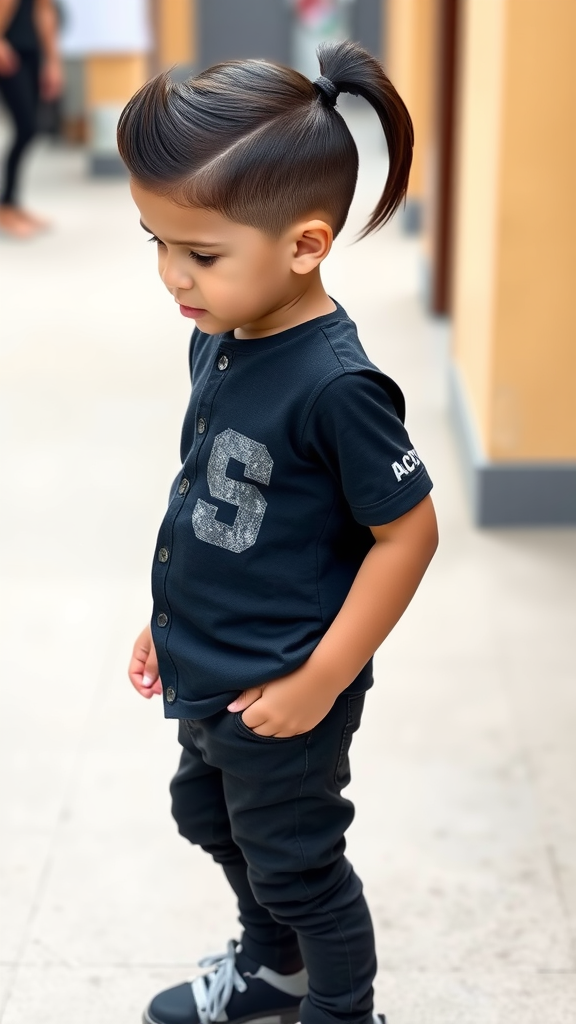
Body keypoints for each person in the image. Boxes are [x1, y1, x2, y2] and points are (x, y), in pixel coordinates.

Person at [123, 39, 438, 1024]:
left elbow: (409, 536)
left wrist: (320, 679)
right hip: (211, 659)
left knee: (301, 865)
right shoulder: (220, 336)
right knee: (208, 814)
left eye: (201, 254)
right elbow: (208, 499)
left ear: (304, 244)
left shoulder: (338, 385)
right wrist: (160, 614)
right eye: (158, 244)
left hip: (287, 673)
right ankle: (273, 970)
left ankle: (342, 1010)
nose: (174, 275)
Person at [0, 0, 63, 238]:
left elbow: (44, 10)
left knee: (30, 129)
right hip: (9, 50)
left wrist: (52, 61)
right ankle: (6, 207)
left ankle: (12, 204)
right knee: (25, 127)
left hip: (31, 49)